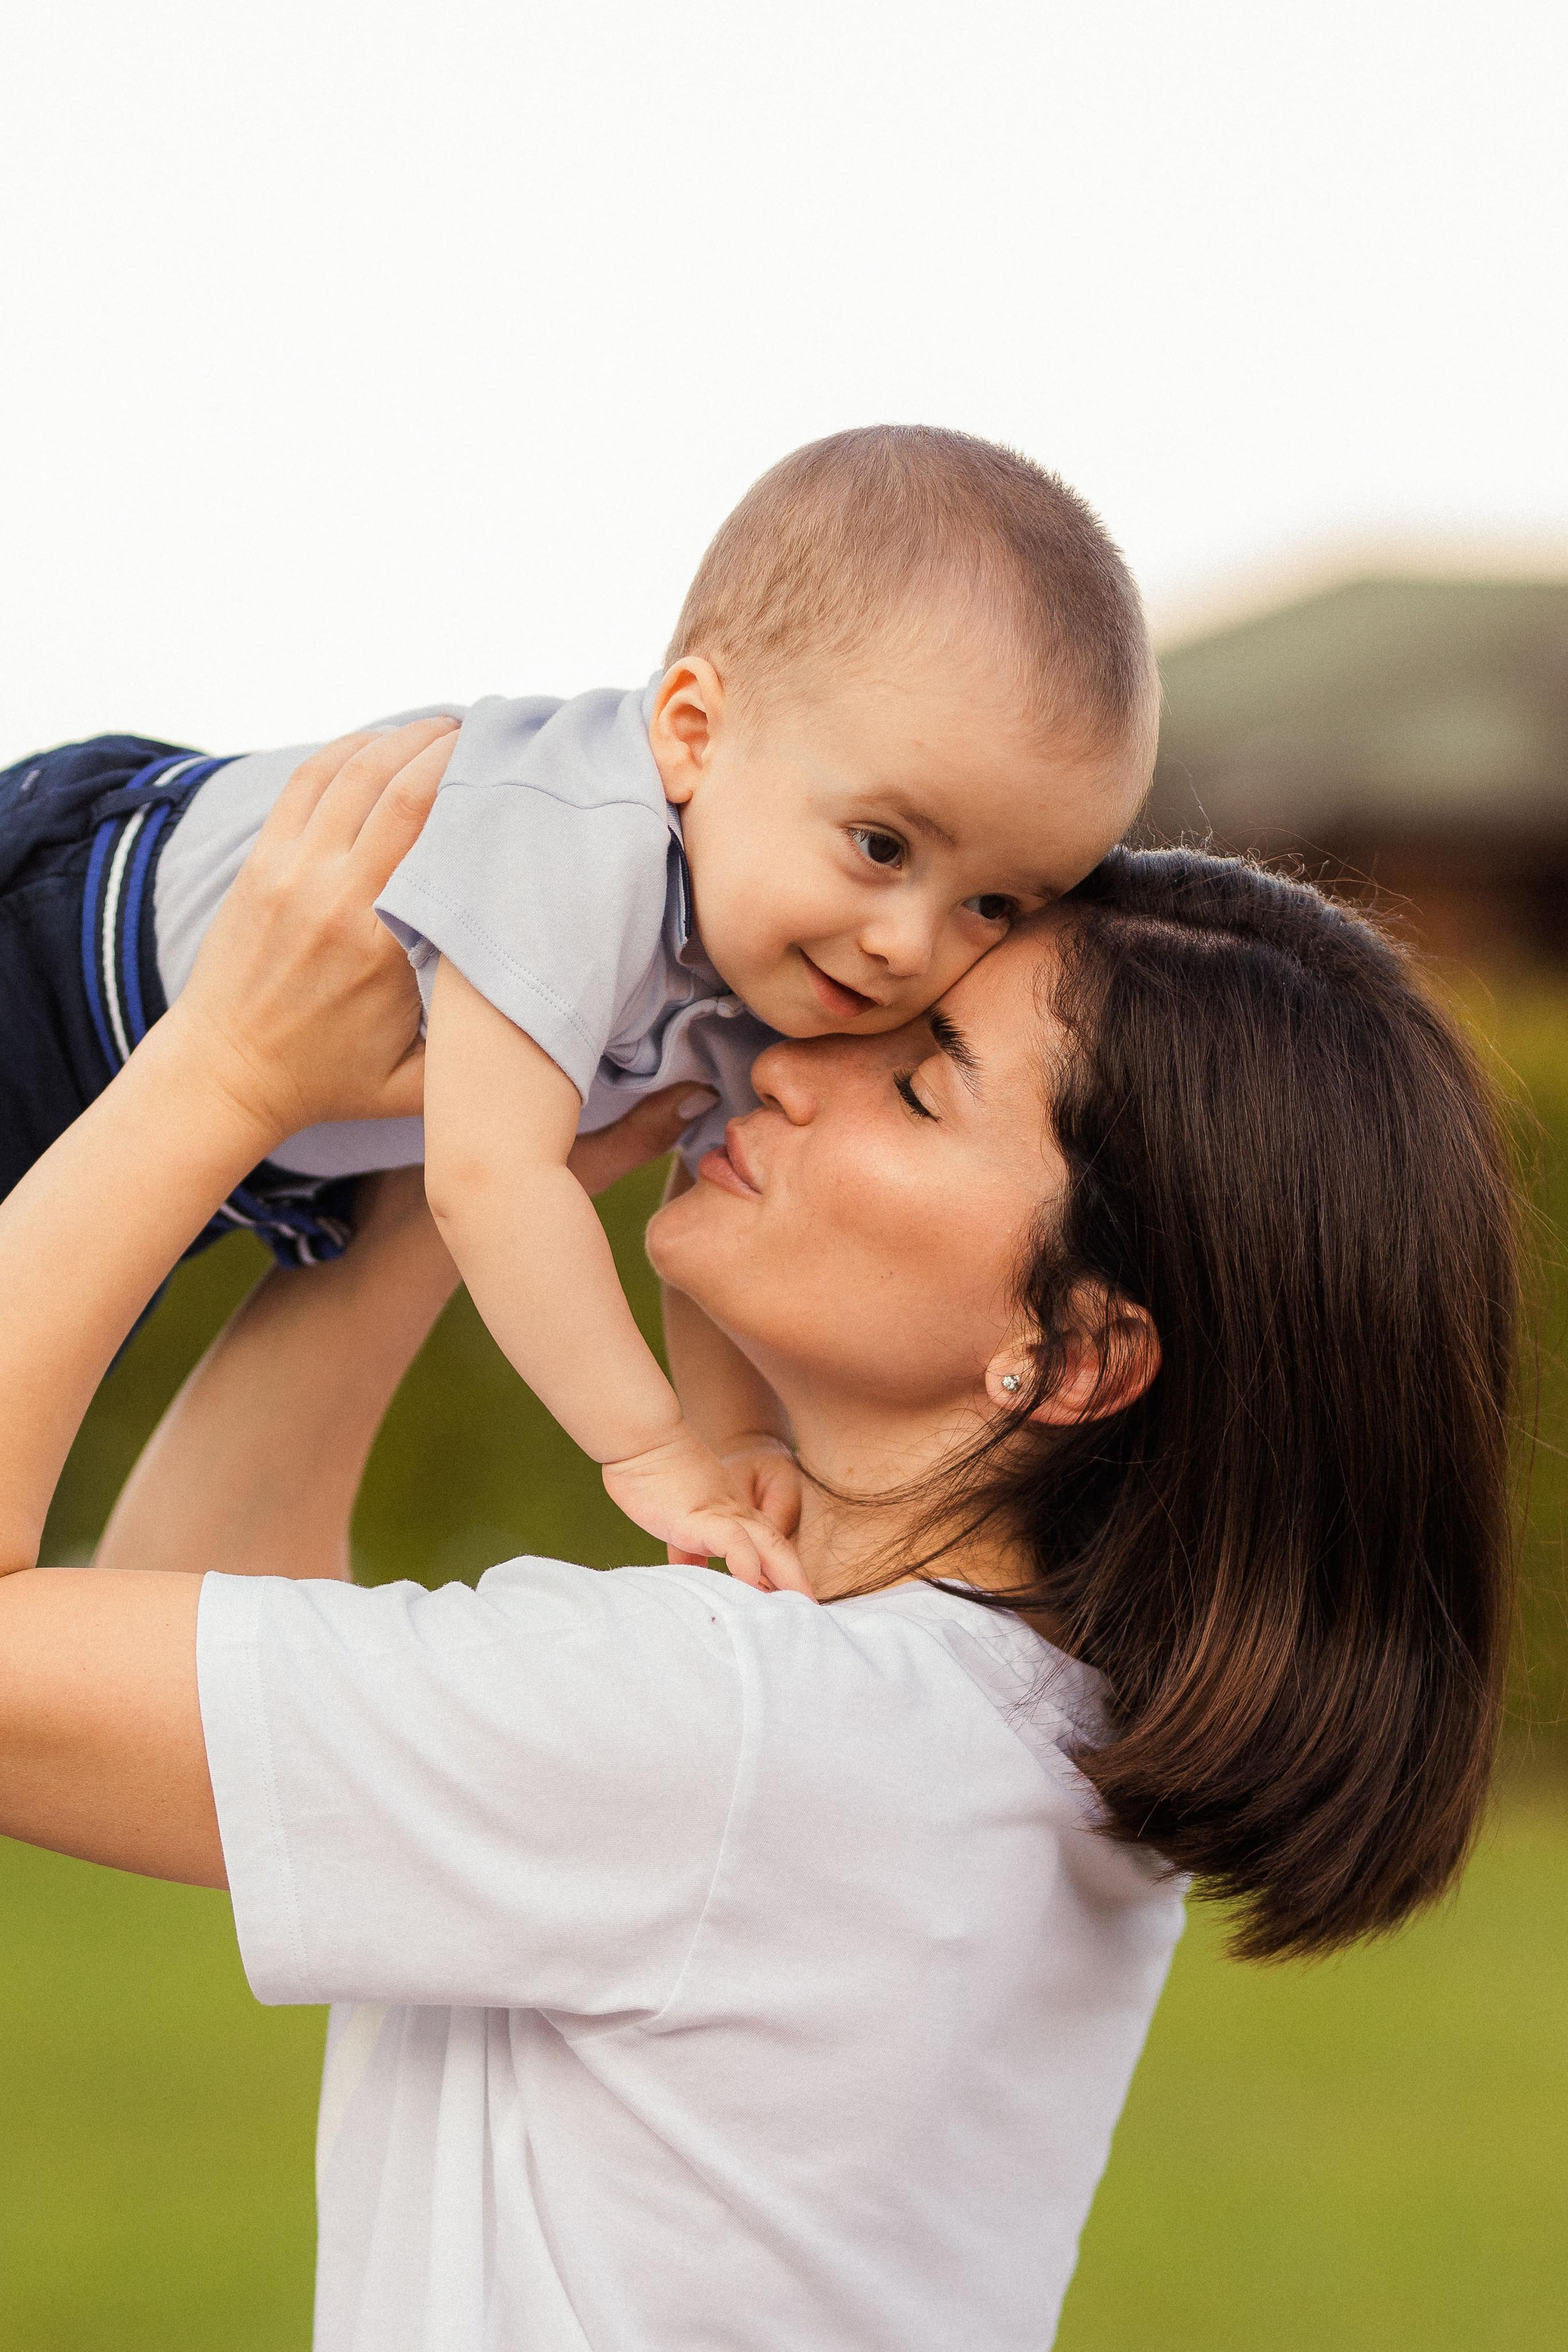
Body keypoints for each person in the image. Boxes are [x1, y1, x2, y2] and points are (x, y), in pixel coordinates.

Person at [0, 730, 1518, 2351]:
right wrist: (461, 1152)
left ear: (1075, 1353)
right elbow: (190, 1607)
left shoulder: (741, 1740)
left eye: (920, 1081)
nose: (791, 1058)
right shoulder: (1004, 1750)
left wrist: (230, 1072)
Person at [0, 426, 1158, 1587]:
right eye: (881, 845)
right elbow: (492, 1181)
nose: (909, 943)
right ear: (693, 732)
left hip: (212, 1131)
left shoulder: (791, 963)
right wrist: (648, 1446)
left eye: (994, 904)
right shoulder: (576, 843)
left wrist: (737, 1443)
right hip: (60, 957)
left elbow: (723, 1215)